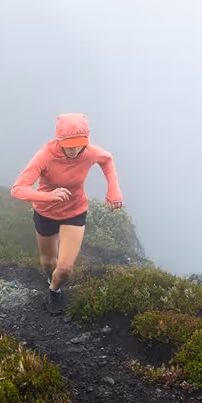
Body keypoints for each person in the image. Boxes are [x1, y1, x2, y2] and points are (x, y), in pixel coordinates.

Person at [11, 113, 123, 314]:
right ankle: (49, 278)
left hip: (75, 211)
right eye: (69, 144)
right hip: (46, 213)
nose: (74, 149)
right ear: (58, 139)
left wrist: (113, 191)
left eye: (80, 143)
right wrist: (49, 196)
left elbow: (107, 160)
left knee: (64, 269)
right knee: (48, 263)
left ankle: (54, 291)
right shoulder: (45, 155)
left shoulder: (89, 152)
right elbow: (18, 189)